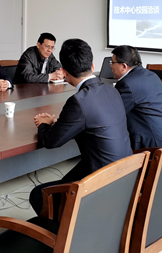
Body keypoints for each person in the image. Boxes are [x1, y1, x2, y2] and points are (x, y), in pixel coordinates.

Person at [29, 38, 132, 216]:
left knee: (39, 195)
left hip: (101, 178)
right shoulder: (112, 90)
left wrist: (45, 124)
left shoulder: (78, 101)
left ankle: (65, 231)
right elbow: (93, 120)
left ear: (64, 72)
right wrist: (60, 123)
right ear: (92, 66)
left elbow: (51, 142)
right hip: (125, 171)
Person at [110, 45, 162, 150]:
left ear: (124, 66)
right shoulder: (152, 75)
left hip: (153, 145)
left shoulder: (126, 84)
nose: (111, 66)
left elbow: (114, 115)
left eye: (112, 62)